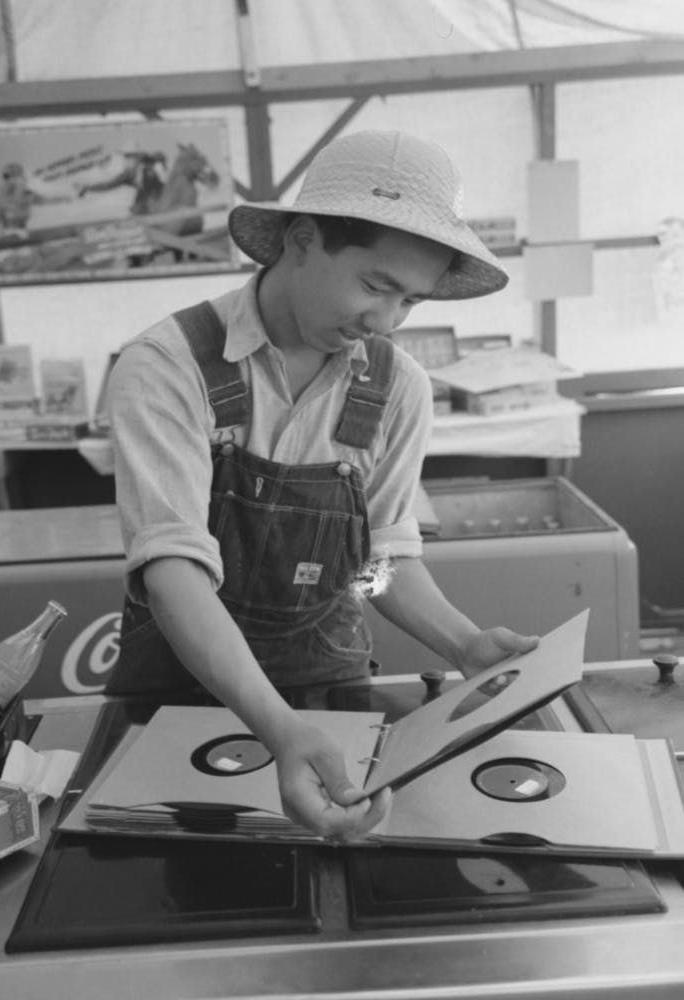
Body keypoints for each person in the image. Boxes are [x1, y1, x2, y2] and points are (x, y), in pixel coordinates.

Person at [104, 130, 539, 841]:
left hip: (327, 690)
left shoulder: (398, 386)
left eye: (410, 302)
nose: (386, 322)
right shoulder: (168, 366)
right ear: (301, 240)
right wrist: (278, 728)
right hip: (178, 695)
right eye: (374, 286)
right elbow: (173, 571)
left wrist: (462, 644)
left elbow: (373, 568)